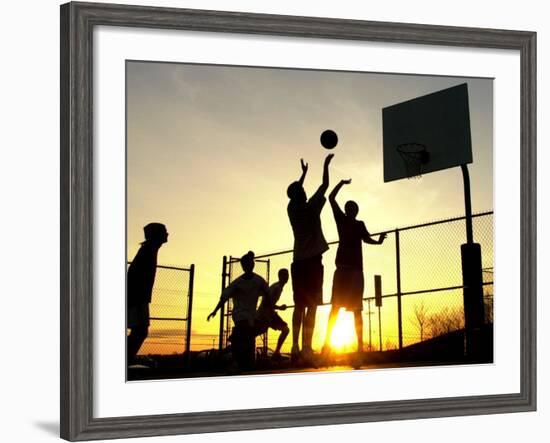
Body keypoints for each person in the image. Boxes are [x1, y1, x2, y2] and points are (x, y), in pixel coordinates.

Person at [322, 179, 386, 358]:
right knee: (335, 308)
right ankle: (327, 345)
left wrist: (378, 241)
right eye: (348, 207)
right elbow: (331, 197)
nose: (350, 210)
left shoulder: (359, 225)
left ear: (356, 211)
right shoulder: (341, 219)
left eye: (353, 208)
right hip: (342, 270)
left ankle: (359, 348)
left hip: (355, 272)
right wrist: (341, 183)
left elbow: (366, 238)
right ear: (346, 210)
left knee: (356, 309)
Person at [287, 153, 334, 363]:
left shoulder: (291, 208)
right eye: (302, 189)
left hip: (299, 262)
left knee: (299, 305)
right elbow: (325, 184)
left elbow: (295, 191)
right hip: (313, 263)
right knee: (312, 306)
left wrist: (303, 174)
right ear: (300, 194)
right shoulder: (312, 206)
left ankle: (296, 346)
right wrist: (325, 164)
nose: (305, 189)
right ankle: (306, 347)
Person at [208, 251, 268, 371]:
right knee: (245, 332)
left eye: (249, 263)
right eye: (245, 265)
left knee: (248, 337)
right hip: (240, 316)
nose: (247, 266)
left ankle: (238, 354)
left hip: (251, 316)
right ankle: (237, 356)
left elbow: (268, 295)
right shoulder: (237, 283)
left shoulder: (259, 281)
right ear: (243, 266)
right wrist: (215, 310)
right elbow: (224, 297)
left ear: (252, 264)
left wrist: (268, 311)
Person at [127, 222, 169, 365]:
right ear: (156, 235)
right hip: (137, 297)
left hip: (138, 296)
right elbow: (133, 275)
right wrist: (135, 297)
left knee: (139, 331)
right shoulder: (148, 250)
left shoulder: (150, 249)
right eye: (164, 231)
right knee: (140, 331)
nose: (167, 234)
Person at [254, 269, 290, 360]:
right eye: (284, 275)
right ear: (280, 276)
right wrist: (279, 308)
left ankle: (276, 353)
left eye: (287, 275)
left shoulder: (279, 287)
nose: (287, 277)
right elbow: (266, 303)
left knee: (285, 329)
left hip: (269, 314)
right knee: (256, 332)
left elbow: (269, 303)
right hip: (264, 315)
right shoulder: (276, 288)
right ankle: (276, 353)